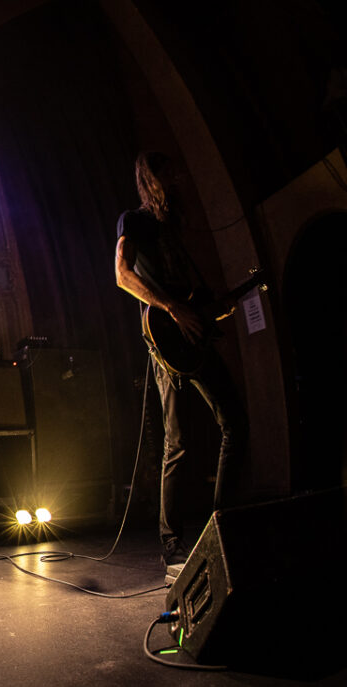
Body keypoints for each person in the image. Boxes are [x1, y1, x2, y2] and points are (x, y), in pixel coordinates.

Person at [114, 152, 248, 569]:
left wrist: (212, 309)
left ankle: (222, 523)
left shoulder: (174, 228)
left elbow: (194, 295)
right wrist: (172, 308)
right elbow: (121, 275)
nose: (178, 176)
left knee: (235, 425)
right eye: (169, 171)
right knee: (179, 444)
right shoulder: (133, 220)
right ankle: (172, 546)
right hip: (166, 340)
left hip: (194, 336)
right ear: (151, 178)